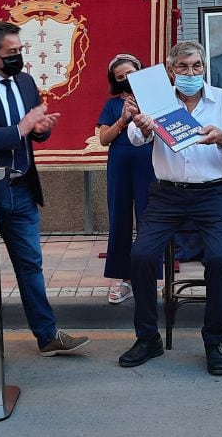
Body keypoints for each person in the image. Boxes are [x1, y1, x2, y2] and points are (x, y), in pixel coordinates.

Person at [0, 21, 90, 356]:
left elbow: (32, 133)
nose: (19, 57)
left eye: (20, 50)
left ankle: (47, 336)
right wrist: (20, 128)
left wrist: (40, 129)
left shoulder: (26, 83)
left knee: (31, 265)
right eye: (11, 52)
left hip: (22, 188)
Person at [117, 41, 222, 376]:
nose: (191, 73)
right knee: (142, 256)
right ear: (171, 70)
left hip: (214, 194)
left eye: (196, 66)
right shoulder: (158, 100)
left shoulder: (221, 100)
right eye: (183, 67)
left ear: (204, 68)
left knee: (221, 260)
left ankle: (213, 341)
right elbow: (136, 138)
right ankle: (148, 338)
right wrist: (142, 127)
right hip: (168, 195)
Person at [97, 54, 156, 304]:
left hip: (149, 161)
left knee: (149, 218)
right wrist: (122, 119)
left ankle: (150, 277)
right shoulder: (111, 105)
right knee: (119, 217)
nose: (126, 80)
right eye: (120, 77)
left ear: (140, 72)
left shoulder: (154, 99)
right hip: (120, 161)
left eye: (130, 74)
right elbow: (103, 139)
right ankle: (124, 279)